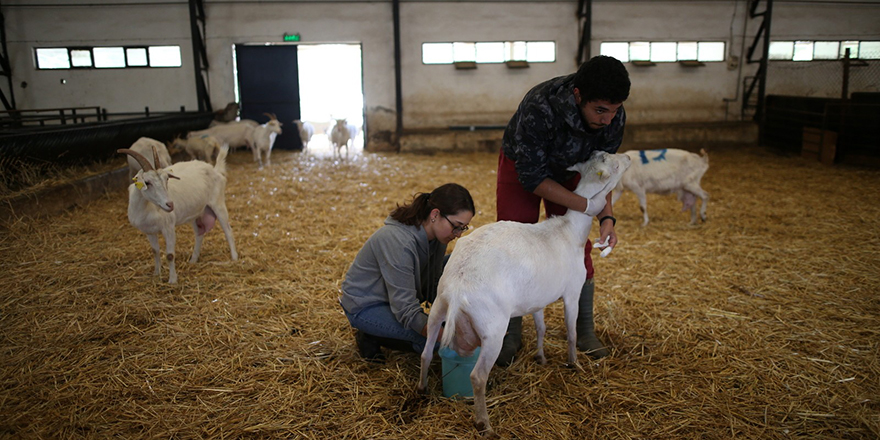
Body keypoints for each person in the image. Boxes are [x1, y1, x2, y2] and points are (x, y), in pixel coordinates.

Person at [495, 55, 631, 366]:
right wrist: (585, 206)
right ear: (578, 95)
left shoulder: (612, 116)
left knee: (575, 242)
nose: (608, 119)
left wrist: (606, 217)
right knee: (515, 240)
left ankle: (583, 329)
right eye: (600, 111)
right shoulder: (540, 106)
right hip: (522, 166)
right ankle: (510, 332)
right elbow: (531, 177)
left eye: (615, 110)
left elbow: (602, 172)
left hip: (573, 169)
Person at [340, 183, 476, 363]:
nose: (458, 234)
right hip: (367, 305)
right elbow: (406, 309)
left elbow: (434, 282)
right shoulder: (399, 242)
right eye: (456, 226)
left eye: (463, 228)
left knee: (457, 262)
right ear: (435, 215)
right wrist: (449, 337)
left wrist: (459, 318)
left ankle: (389, 331)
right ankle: (370, 334)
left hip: (395, 298)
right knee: (435, 344)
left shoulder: (438, 237)